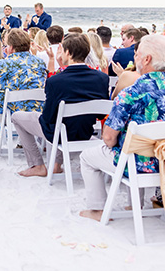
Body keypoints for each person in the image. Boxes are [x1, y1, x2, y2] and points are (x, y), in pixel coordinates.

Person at [79, 35, 165, 221]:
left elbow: (108, 138)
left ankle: (98, 209)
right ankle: (134, 204)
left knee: (88, 157)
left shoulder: (131, 93)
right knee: (129, 147)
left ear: (147, 59)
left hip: (137, 166)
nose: (135, 58)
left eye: (138, 54)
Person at [11, 33, 109, 177]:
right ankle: (56, 164)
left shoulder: (55, 80)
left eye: (62, 50)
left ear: (68, 53)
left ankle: (36, 165)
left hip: (59, 134)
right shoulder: (102, 78)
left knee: (17, 117)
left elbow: (48, 117)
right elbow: (101, 114)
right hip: (85, 132)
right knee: (60, 121)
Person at [0, 29, 46, 156]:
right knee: (25, 100)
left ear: (11, 47)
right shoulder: (39, 62)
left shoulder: (3, 63)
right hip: (35, 112)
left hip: (8, 114)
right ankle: (22, 142)